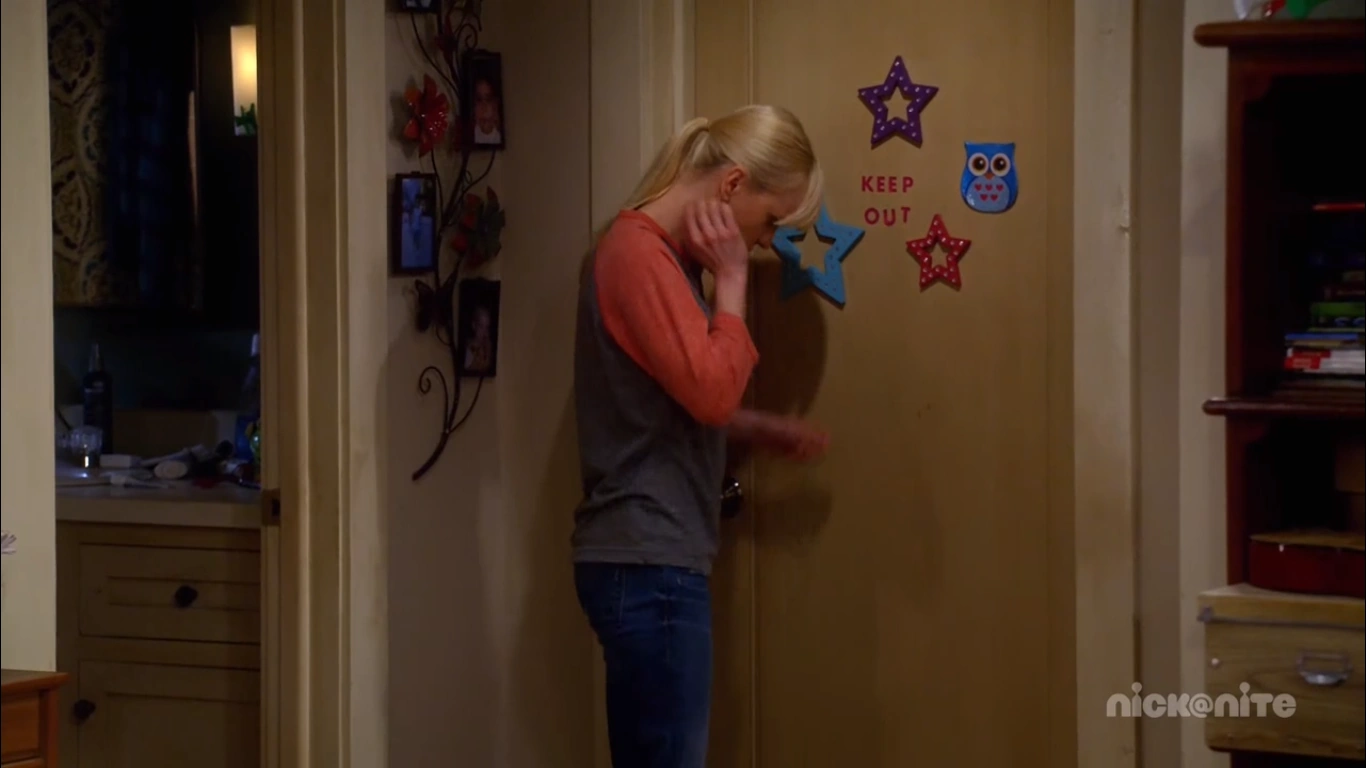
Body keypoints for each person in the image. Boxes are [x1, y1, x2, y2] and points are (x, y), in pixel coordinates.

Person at [572, 104, 829, 767]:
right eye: (770, 220)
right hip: (647, 561)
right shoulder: (640, 255)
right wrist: (732, 282)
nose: (767, 240)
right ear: (733, 184)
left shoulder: (658, 260)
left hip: (649, 559)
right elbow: (712, 395)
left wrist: (758, 427)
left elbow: (671, 402)